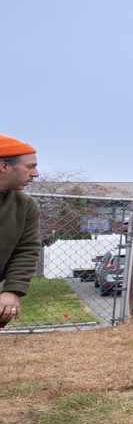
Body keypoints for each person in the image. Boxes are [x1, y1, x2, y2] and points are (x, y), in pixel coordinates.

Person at [0, 137, 38, 329]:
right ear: (4, 167)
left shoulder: (24, 206)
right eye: (30, 167)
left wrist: (12, 291)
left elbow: (26, 249)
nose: (36, 174)